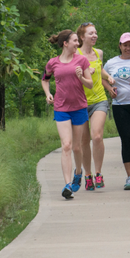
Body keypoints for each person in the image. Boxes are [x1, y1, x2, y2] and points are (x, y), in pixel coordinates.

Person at [42, 29, 94, 200]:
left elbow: (90, 85)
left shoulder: (82, 60)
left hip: (79, 107)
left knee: (77, 147)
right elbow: (45, 79)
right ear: (65, 43)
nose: (77, 44)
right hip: (61, 108)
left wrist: (81, 77)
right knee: (66, 145)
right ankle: (67, 185)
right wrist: (48, 93)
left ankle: (78, 172)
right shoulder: (53, 63)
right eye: (74, 41)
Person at [76, 23, 115, 191]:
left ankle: (98, 172)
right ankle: (88, 174)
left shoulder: (99, 53)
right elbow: (68, 73)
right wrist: (85, 73)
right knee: (84, 141)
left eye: (96, 33)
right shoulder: (74, 54)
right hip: (80, 102)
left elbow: (101, 70)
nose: (95, 36)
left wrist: (109, 76)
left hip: (99, 99)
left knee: (97, 136)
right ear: (82, 37)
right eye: (91, 33)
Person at [104, 32, 130, 190]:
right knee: (126, 139)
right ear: (120, 46)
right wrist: (109, 88)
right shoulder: (111, 63)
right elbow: (103, 77)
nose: (128, 48)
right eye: (125, 45)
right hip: (120, 105)